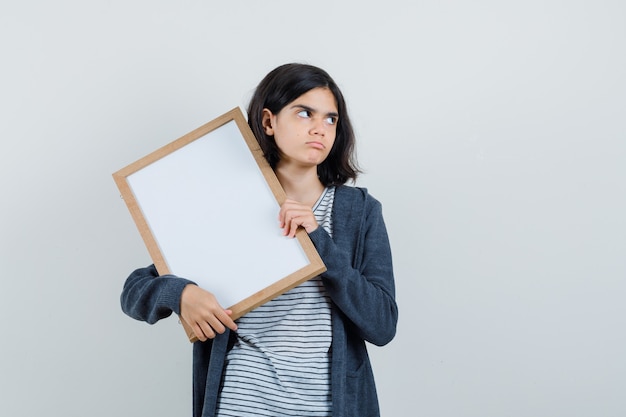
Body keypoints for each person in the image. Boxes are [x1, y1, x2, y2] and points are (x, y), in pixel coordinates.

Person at [121, 63, 398, 417]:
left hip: (329, 406)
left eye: (331, 119)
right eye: (304, 113)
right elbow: (133, 290)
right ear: (269, 122)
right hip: (242, 402)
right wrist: (181, 294)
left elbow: (382, 324)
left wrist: (318, 240)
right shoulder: (237, 202)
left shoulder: (359, 212)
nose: (320, 128)